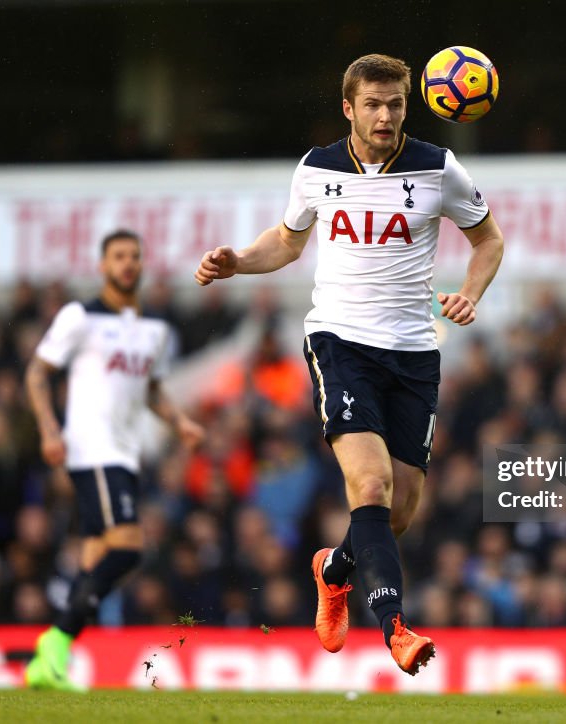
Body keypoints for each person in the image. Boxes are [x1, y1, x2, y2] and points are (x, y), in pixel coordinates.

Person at [194, 54, 504, 675]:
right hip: (340, 341)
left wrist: (471, 291)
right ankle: (394, 626)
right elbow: (286, 241)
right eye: (373, 104)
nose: (385, 115)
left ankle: (333, 569)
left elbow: (488, 239)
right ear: (348, 108)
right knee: (369, 485)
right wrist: (238, 261)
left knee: (400, 510)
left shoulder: (439, 168)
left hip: (415, 350)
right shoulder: (316, 168)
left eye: (394, 104)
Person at [24, 229, 204, 690]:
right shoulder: (79, 316)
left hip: (125, 452)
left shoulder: (155, 330)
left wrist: (178, 422)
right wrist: (49, 429)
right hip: (91, 447)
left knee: (95, 559)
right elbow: (38, 372)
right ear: (102, 265)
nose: (128, 263)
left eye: (134, 256)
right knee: (128, 548)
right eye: (118, 256)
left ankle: (50, 661)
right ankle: (56, 639)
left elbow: (151, 388)